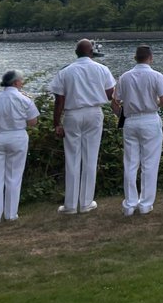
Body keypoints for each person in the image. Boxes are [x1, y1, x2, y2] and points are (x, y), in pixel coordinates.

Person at [49, 38, 116, 214]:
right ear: (91, 52)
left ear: (76, 53)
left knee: (72, 158)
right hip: (94, 113)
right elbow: (111, 95)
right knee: (90, 157)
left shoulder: (66, 72)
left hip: (72, 114)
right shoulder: (102, 69)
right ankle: (86, 202)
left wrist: (56, 123)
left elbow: (59, 100)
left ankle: (70, 205)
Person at [113, 45, 163, 216]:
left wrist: (121, 116)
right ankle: (145, 203)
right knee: (150, 163)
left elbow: (115, 102)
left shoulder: (124, 77)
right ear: (150, 57)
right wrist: (155, 104)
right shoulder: (156, 76)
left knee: (130, 163)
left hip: (130, 121)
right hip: (149, 118)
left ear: (135, 58)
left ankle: (130, 204)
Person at [0, 70, 40, 223]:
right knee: (14, 176)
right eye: (21, 80)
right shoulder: (25, 100)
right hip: (17, 137)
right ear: (15, 83)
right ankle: (11, 214)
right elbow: (33, 122)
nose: (22, 82)